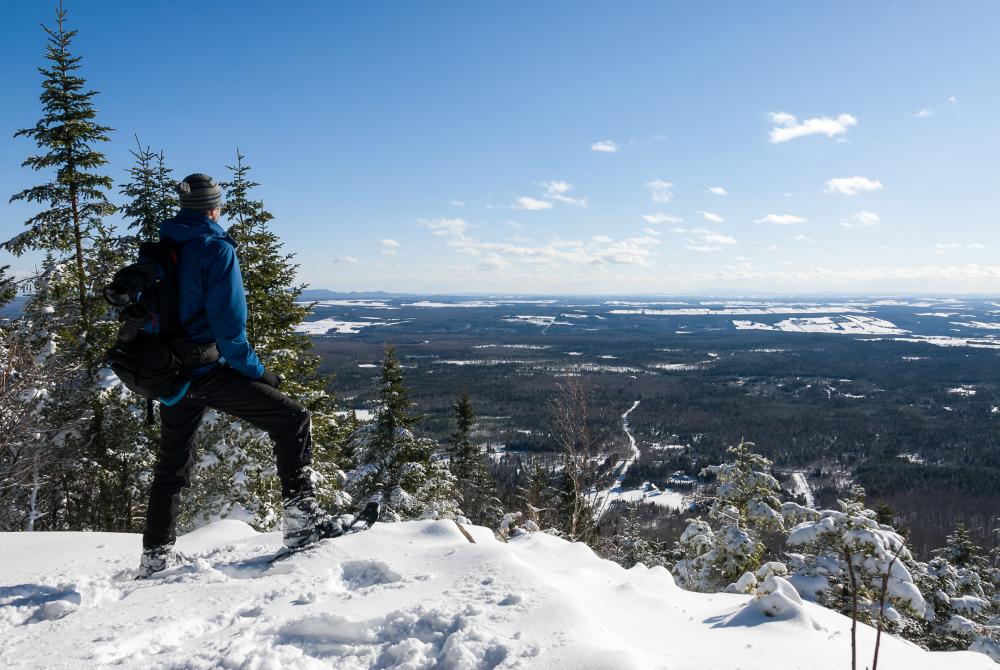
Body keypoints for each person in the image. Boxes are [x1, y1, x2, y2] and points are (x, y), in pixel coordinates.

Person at [139, 173, 342, 577]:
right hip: (203, 369)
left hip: (168, 372)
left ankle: (155, 556)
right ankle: (302, 527)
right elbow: (230, 328)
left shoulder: (163, 248)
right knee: (292, 419)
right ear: (214, 207)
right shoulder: (214, 248)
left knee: (172, 462)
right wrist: (258, 373)